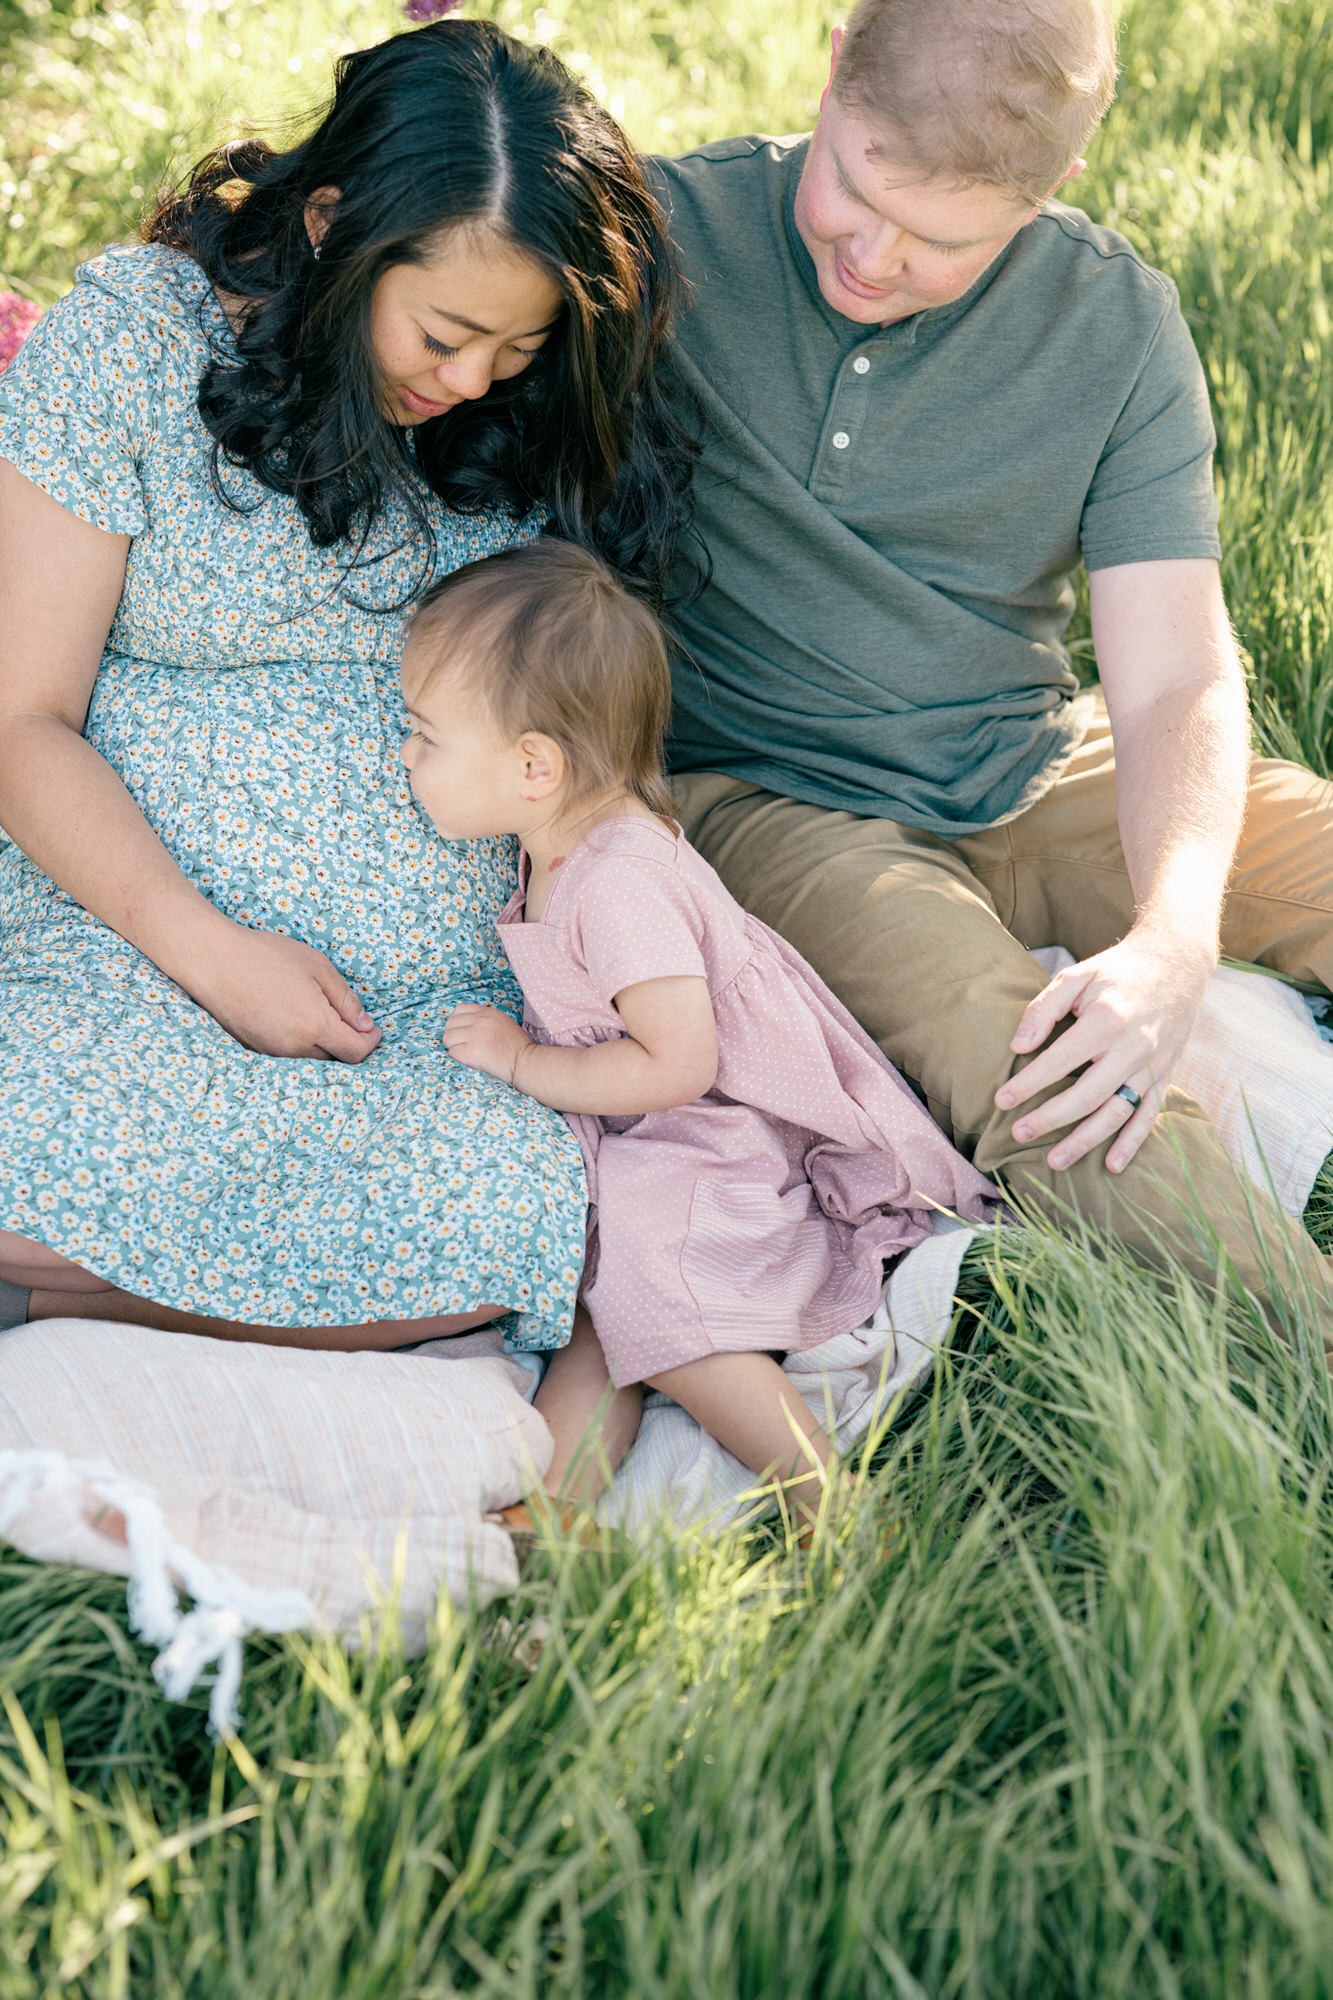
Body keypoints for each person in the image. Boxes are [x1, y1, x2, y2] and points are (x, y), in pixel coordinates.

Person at [0, 19, 695, 1351]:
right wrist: (208, 955)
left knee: (519, 1210)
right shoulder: (136, 346)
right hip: (129, 935)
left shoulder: (515, 413)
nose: (473, 378)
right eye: (444, 332)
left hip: (425, 1014)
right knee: (32, 1117)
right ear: (331, 224)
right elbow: (18, 719)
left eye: (518, 346)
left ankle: (52, 1293)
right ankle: (195, 1292)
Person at [645, 0, 1333, 1340]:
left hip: (1026, 756)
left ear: (1050, 190)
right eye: (855, 183)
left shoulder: (1116, 325)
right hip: (773, 801)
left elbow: (1171, 678)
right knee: (1023, 1058)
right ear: (834, 58)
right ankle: (1305, 1334)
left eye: (944, 239)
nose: (874, 253)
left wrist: (1174, 941)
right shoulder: (669, 237)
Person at [398, 540, 999, 1526]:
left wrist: (521, 1061)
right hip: (656, 1138)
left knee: (666, 1305)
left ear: (533, 765)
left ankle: (825, 1502)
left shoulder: (620, 880)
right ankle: (552, 1511)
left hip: (717, 1136)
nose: (406, 755)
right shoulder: (558, 842)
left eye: (425, 735)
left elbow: (682, 1062)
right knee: (608, 1315)